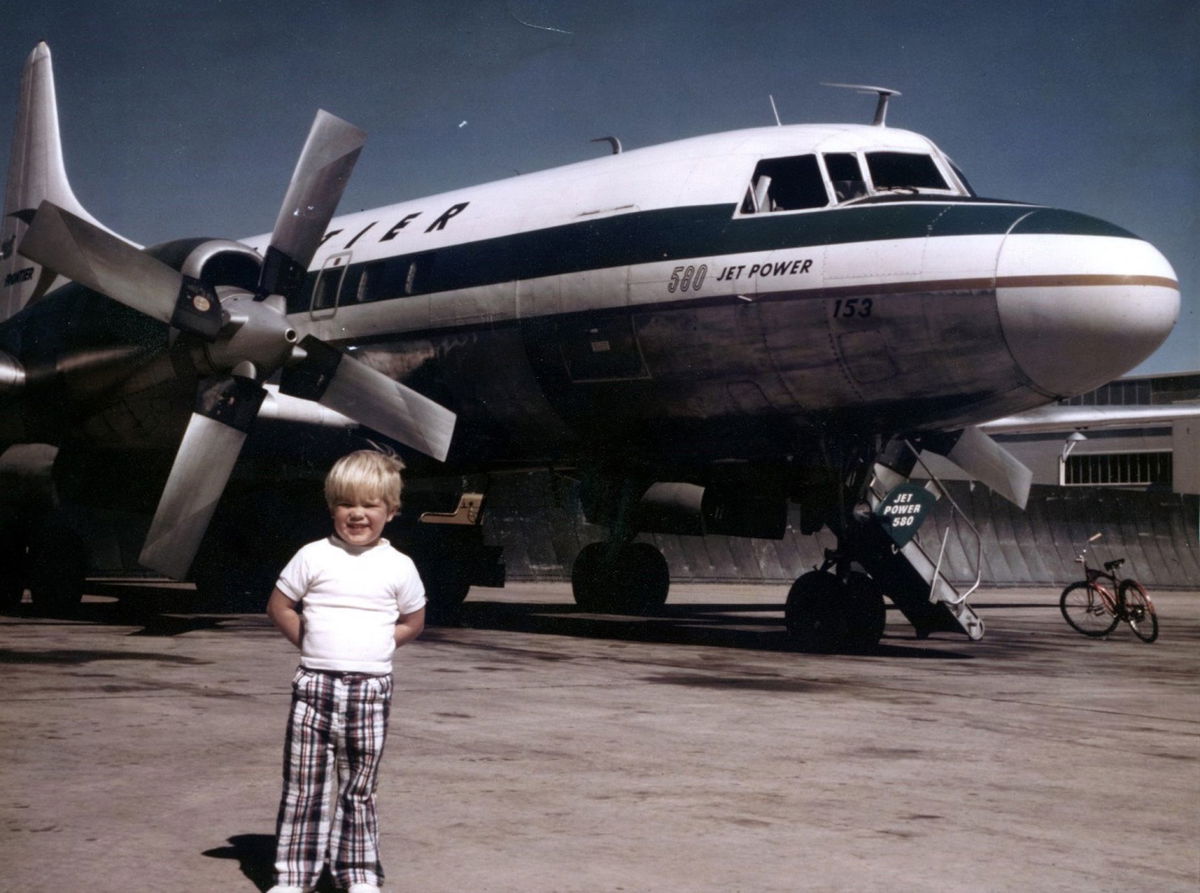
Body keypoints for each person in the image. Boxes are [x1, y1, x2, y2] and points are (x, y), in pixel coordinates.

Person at [265, 449, 426, 893]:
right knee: (304, 785)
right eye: (346, 503)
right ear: (332, 506)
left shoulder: (399, 567)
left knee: (359, 787)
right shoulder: (312, 557)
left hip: (370, 692)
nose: (357, 514)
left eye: (370, 504)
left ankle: (358, 873)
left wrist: (376, 645)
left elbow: (413, 621)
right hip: (314, 689)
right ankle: (294, 876)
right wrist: (312, 642)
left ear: (391, 511)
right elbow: (279, 607)